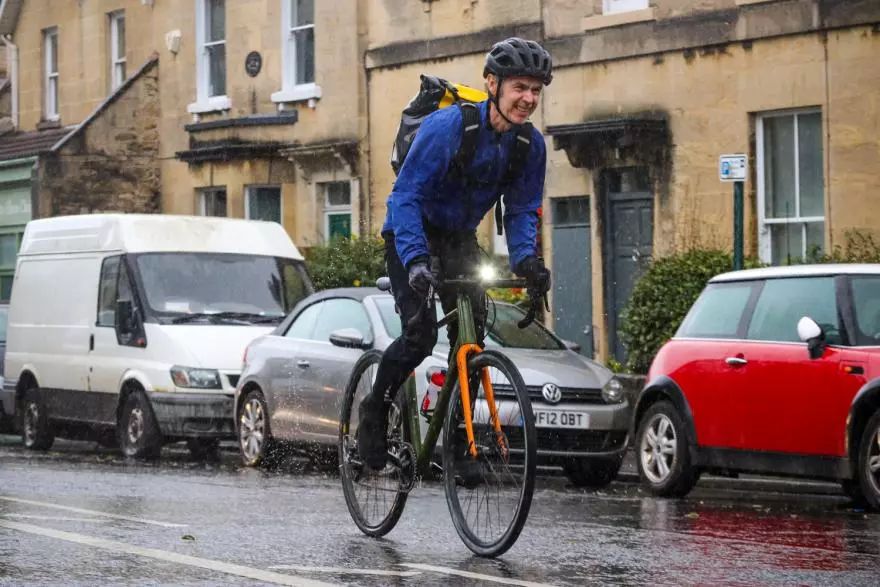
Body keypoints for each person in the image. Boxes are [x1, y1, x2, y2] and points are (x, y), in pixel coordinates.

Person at [358, 37, 553, 470]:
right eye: (520, 87)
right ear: (492, 83)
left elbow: (522, 208)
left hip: (459, 237)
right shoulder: (450, 127)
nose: (529, 99)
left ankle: (462, 440)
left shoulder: (529, 145)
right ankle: (374, 410)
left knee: (473, 334)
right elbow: (406, 196)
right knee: (420, 334)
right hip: (411, 232)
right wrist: (415, 261)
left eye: (536, 90)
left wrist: (526, 261)